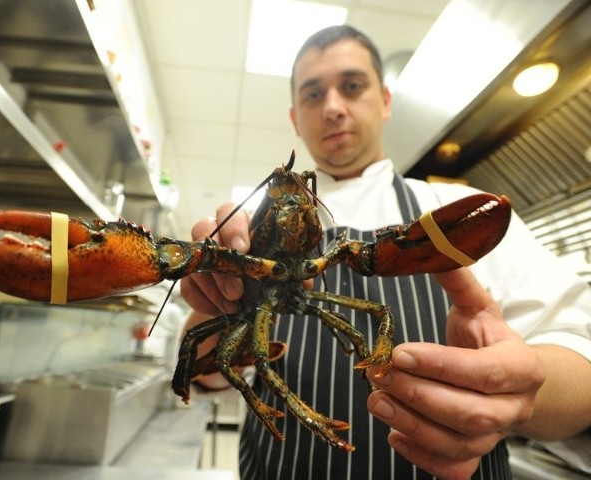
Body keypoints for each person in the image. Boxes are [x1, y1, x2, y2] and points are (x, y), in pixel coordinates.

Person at [180, 25, 591, 480]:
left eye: (352, 86)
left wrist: (518, 394)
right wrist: (219, 300)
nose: (334, 107)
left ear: (385, 100)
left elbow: (581, 354)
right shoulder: (248, 230)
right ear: (296, 118)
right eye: (313, 95)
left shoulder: (450, 219)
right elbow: (210, 380)